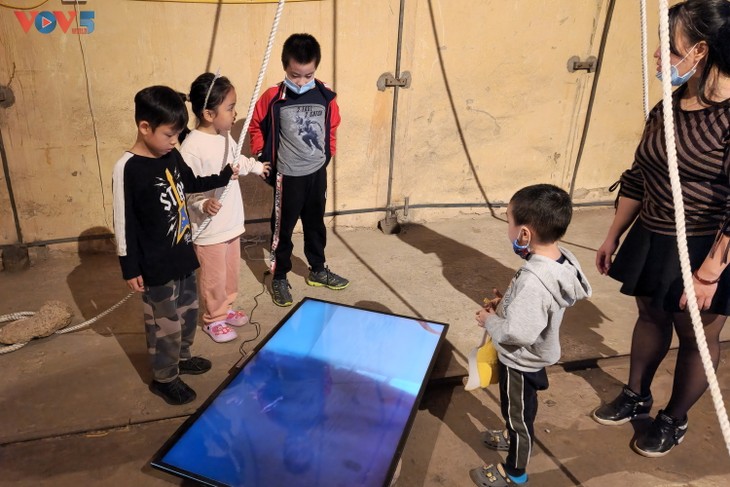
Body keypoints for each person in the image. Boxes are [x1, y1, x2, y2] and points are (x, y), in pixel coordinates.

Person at [592, 0, 730, 458]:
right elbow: (639, 174)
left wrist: (709, 272)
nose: (657, 56)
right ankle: (636, 395)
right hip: (653, 234)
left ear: (700, 51)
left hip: (706, 245)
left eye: (668, 47)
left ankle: (674, 418)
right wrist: (614, 233)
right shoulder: (668, 107)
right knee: (650, 317)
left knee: (696, 335)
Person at [112, 85, 239, 405]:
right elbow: (124, 221)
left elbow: (191, 182)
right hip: (154, 263)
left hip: (182, 252)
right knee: (164, 324)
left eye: (178, 135)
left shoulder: (171, 155)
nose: (174, 141)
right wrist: (129, 266)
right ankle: (165, 377)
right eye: (170, 134)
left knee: (188, 312)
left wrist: (222, 176)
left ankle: (182, 357)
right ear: (145, 127)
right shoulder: (127, 168)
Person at [469, 184, 592, 487]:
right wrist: (506, 304)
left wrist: (490, 320)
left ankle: (515, 472)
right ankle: (514, 436)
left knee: (519, 419)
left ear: (524, 234)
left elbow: (518, 333)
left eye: (508, 221)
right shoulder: (559, 262)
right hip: (531, 358)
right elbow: (535, 310)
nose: (507, 228)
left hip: (520, 363)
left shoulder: (534, 281)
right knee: (518, 412)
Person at [249, 33, 348, 307]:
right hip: (288, 177)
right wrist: (261, 155)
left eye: (308, 75)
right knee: (282, 230)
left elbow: (332, 126)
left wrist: (328, 154)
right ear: (285, 67)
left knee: (316, 225)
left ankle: (317, 270)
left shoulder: (325, 95)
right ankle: (279, 276)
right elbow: (256, 125)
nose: (302, 82)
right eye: (295, 75)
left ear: (315, 69)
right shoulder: (272, 97)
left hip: (317, 174)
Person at [180, 72, 270, 343]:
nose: (235, 113)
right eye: (230, 108)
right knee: (214, 278)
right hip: (209, 230)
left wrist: (257, 167)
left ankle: (226, 308)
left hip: (231, 222)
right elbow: (186, 191)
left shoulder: (225, 135)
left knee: (231, 273)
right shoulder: (191, 147)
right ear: (209, 114)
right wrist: (203, 203)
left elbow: (236, 160)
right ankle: (214, 318)